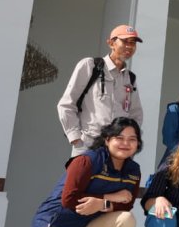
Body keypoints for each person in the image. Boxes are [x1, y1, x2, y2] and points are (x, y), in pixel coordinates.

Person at [3, 118, 141, 227]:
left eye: (132, 139)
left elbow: (125, 206)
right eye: (119, 138)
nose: (125, 143)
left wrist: (101, 204)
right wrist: (108, 197)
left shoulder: (133, 170)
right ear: (107, 140)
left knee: (126, 220)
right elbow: (69, 199)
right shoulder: (87, 161)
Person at [57, 24, 143, 157]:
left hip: (118, 151)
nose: (129, 46)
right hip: (88, 146)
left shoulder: (130, 78)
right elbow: (67, 104)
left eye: (133, 43)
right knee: (81, 179)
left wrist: (129, 142)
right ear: (111, 43)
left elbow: (136, 114)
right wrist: (76, 140)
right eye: (125, 41)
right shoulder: (90, 66)